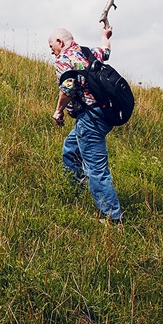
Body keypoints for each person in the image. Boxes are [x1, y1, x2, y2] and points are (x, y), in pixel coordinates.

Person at [49, 25, 123, 223]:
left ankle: (112, 218)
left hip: (90, 118)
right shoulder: (87, 52)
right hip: (103, 114)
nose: (51, 51)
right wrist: (105, 36)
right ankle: (75, 189)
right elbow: (105, 50)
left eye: (51, 45)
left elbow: (68, 87)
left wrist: (58, 111)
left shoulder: (64, 58)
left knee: (96, 169)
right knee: (71, 149)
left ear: (60, 42)